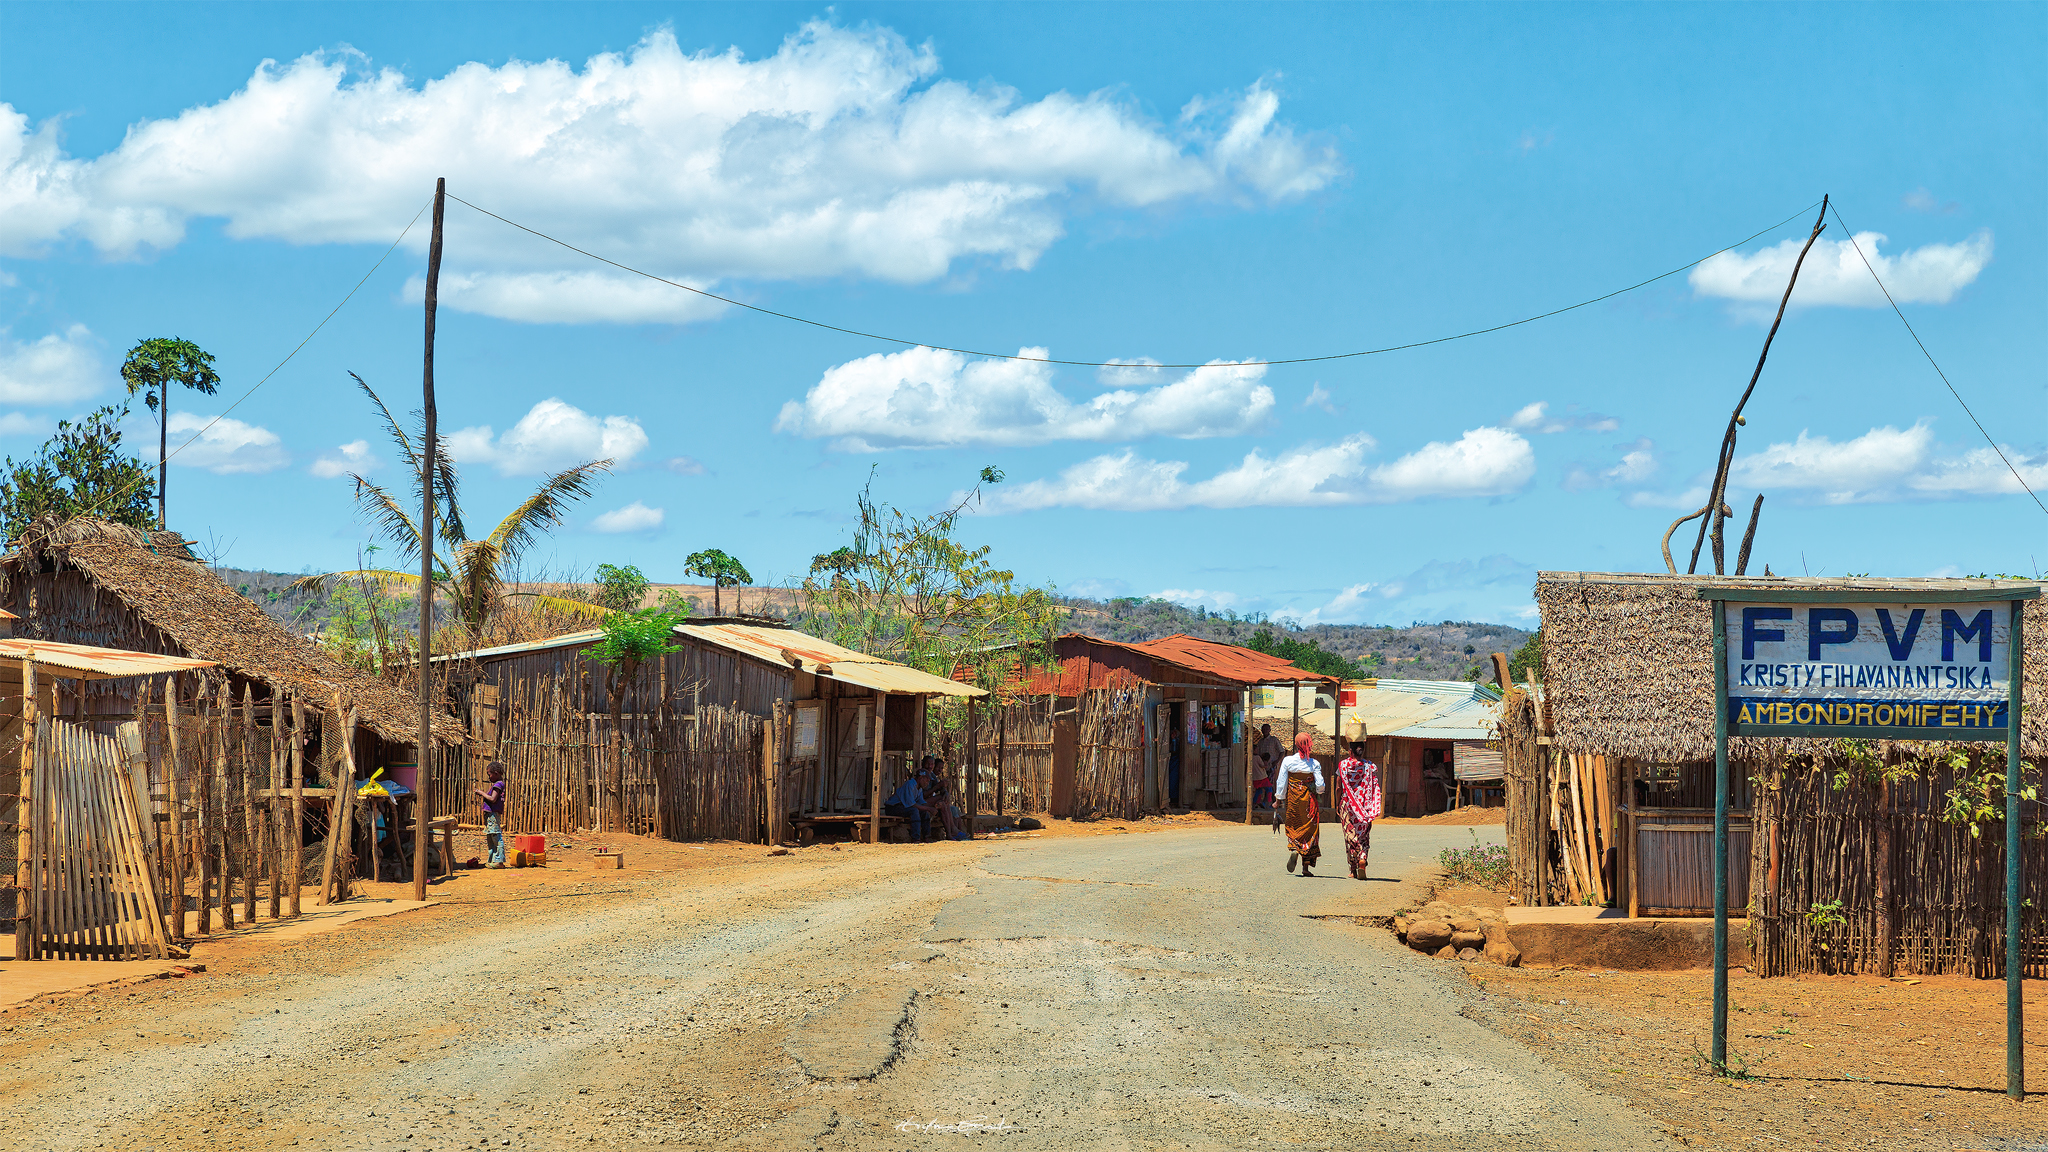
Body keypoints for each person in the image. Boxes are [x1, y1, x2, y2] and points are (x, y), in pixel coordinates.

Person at [1277, 731, 1324, 876]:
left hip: (1293, 802)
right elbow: (1320, 785)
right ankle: (1305, 868)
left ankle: (1294, 849)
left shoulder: (1288, 761)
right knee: (1310, 832)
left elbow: (1281, 782)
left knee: (1294, 826)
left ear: (1296, 745)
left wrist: (1278, 799)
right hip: (1309, 803)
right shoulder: (1314, 763)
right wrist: (1318, 792)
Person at [1336, 739, 1384, 880]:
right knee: (1363, 835)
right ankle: (1362, 858)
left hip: (1348, 805)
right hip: (1365, 806)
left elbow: (1338, 787)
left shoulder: (1343, 765)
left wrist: (1338, 803)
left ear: (1350, 751)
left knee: (1350, 835)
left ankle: (1353, 869)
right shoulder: (1369, 766)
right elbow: (1374, 785)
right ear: (1362, 751)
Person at [473, 761, 507, 868]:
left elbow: (492, 799)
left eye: (489, 774)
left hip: (493, 815)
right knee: (491, 836)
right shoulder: (498, 784)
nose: (488, 777)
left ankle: (499, 861)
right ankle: (493, 859)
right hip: (490, 815)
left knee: (495, 835)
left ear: (496, 773)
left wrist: (481, 792)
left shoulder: (498, 785)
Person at [885, 767, 929, 842]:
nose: (927, 783)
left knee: (924, 812)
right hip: (893, 807)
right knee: (914, 811)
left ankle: (927, 837)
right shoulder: (910, 784)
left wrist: (931, 808)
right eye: (926, 781)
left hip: (903, 807)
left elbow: (921, 802)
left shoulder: (919, 789)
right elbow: (912, 804)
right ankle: (916, 838)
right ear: (921, 778)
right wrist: (929, 808)